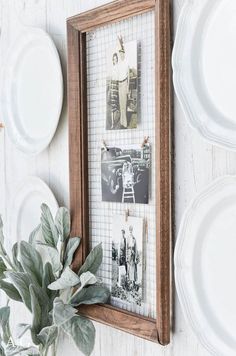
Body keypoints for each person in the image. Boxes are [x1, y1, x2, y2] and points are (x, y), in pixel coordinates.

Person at [118, 46, 129, 128]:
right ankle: (121, 121)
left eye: (122, 54)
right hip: (120, 84)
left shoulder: (126, 64)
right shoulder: (119, 65)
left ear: (124, 55)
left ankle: (125, 122)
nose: (121, 55)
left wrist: (127, 87)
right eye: (120, 54)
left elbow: (128, 76)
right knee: (121, 103)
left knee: (124, 103)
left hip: (125, 83)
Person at [110, 53, 119, 129]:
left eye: (116, 59)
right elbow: (111, 79)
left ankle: (117, 120)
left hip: (117, 86)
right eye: (114, 59)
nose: (115, 60)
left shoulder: (118, 67)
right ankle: (113, 123)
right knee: (112, 107)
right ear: (113, 60)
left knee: (117, 105)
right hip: (112, 87)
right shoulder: (112, 68)